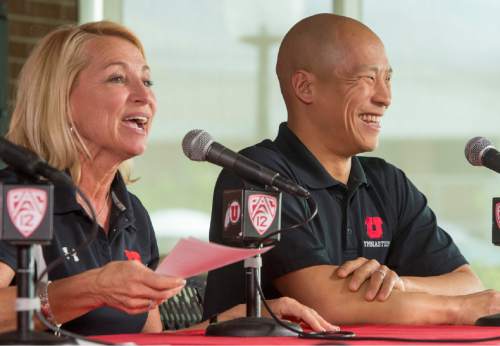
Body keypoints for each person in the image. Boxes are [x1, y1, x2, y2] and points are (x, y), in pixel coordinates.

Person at [0, 21, 336, 335]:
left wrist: (229, 323)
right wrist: (93, 288)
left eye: (147, 81)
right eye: (117, 78)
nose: (144, 97)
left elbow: (151, 340)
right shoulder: (17, 196)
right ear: (61, 99)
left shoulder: (132, 214)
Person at [203, 13, 500, 325]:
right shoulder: (257, 174)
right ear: (305, 87)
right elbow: (325, 303)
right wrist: (455, 309)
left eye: (387, 79)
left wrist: (399, 282)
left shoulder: (387, 182)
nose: (385, 98)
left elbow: (467, 284)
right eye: (367, 79)